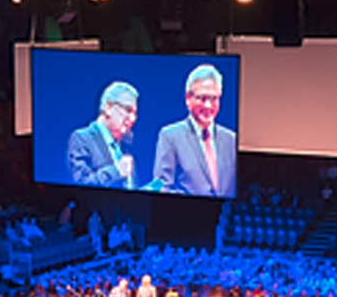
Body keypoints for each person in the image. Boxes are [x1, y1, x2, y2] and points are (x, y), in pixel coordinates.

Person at [153, 64, 236, 197]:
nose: (208, 105)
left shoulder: (231, 140)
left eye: (214, 99)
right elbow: (162, 187)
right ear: (188, 98)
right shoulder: (170, 136)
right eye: (202, 98)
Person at [68, 81, 140, 189]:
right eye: (128, 110)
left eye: (135, 113)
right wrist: (116, 172)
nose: (133, 118)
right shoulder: (82, 138)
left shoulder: (125, 148)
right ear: (108, 108)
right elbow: (80, 184)